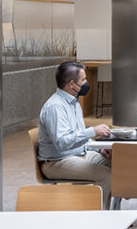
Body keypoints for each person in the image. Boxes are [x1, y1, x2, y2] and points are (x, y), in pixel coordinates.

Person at [38, 61, 113, 202]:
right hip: (56, 162)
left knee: (120, 166)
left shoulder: (74, 102)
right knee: (107, 176)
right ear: (72, 84)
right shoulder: (55, 107)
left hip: (78, 154)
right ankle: (99, 220)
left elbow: (77, 137)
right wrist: (92, 131)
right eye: (83, 80)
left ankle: (114, 214)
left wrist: (99, 149)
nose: (87, 83)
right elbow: (62, 143)